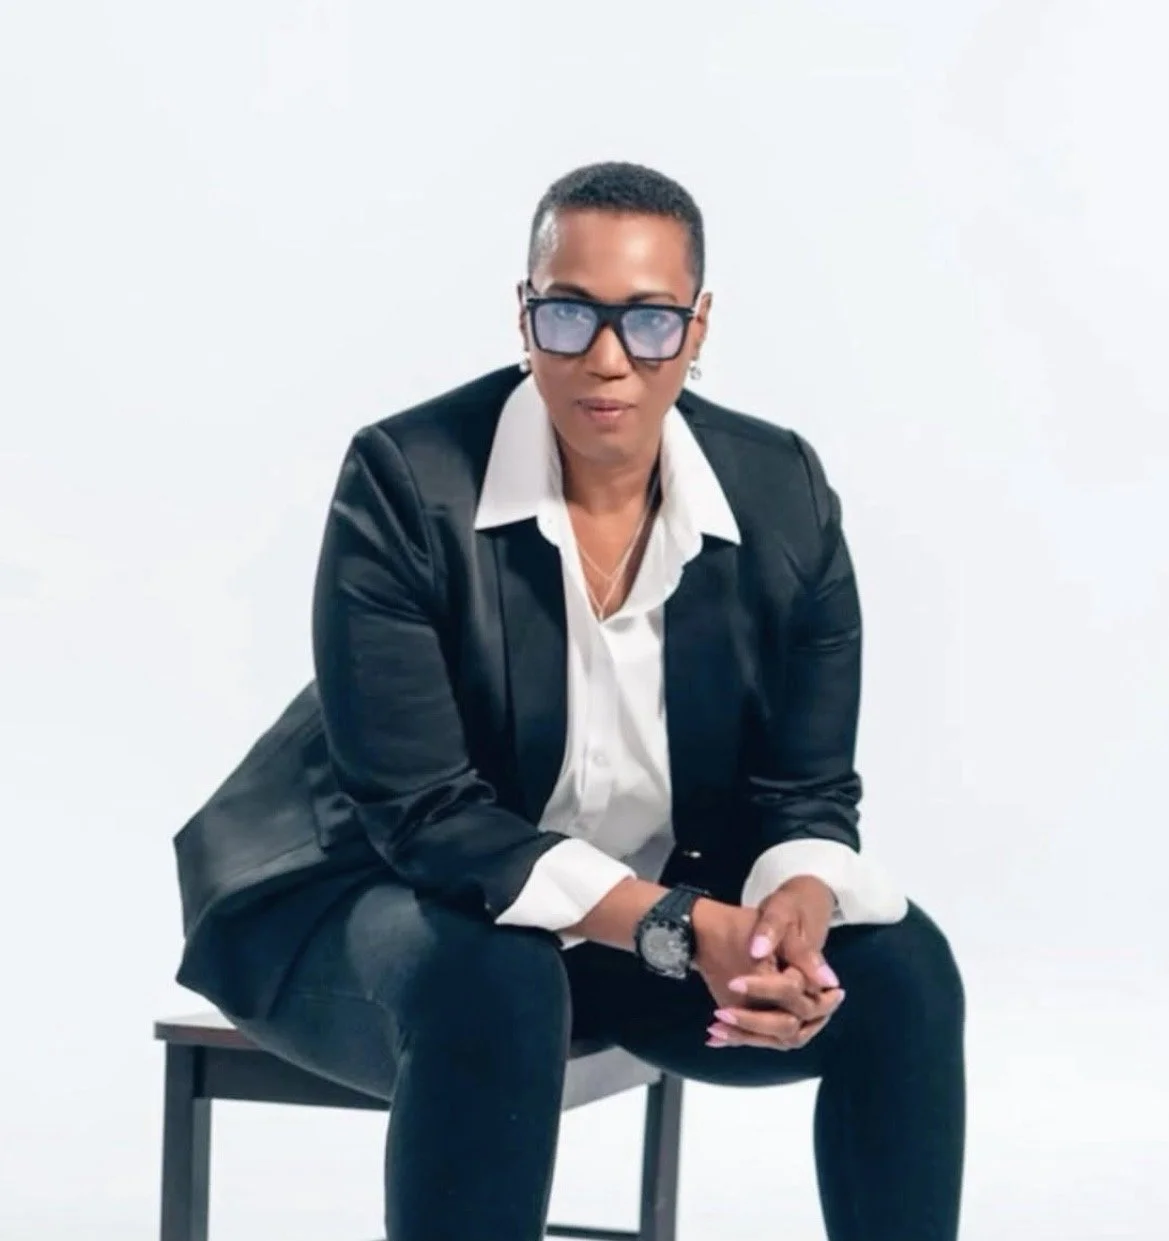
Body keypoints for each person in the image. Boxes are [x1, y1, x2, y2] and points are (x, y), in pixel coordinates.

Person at [171, 160, 966, 1241]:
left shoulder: (781, 494)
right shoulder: (405, 479)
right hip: (369, 900)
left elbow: (807, 790)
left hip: (634, 931)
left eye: (648, 320)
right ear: (523, 313)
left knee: (904, 969)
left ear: (696, 326)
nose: (606, 357)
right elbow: (423, 815)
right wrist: (679, 925)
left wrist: (794, 911)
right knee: (498, 977)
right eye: (568, 312)